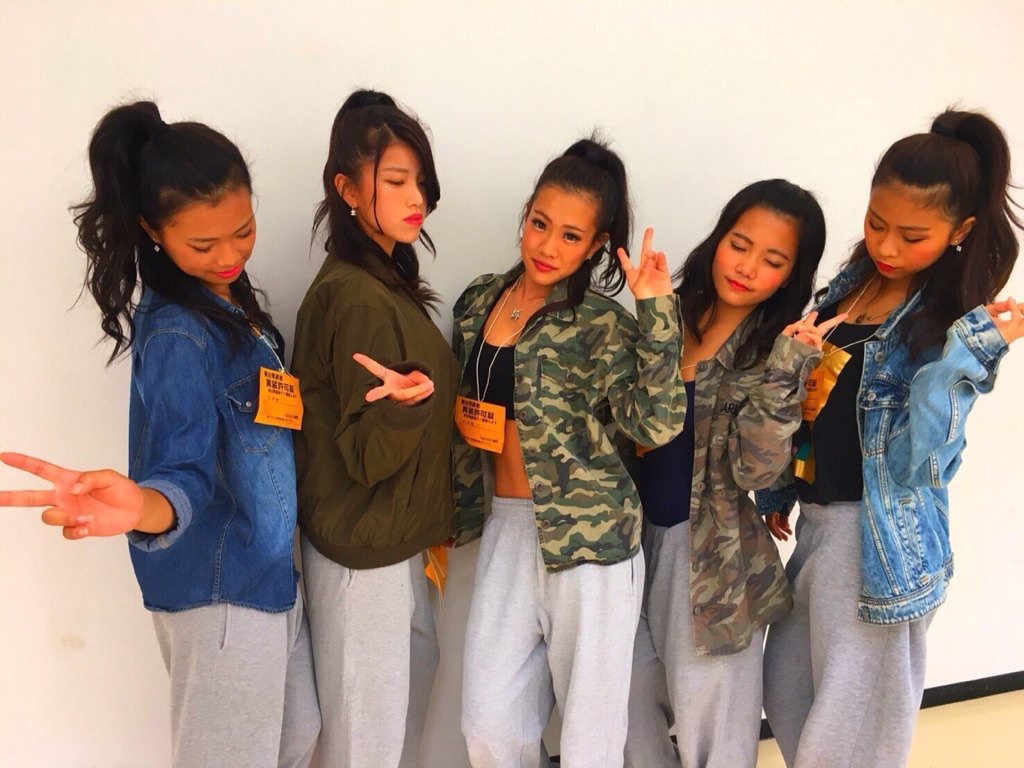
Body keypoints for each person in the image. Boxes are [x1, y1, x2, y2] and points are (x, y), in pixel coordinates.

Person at [0, 101, 320, 767]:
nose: (229, 256)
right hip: (220, 589)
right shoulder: (179, 331)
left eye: (244, 230)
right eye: (203, 245)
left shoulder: (227, 300)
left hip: (263, 575)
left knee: (298, 739)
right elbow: (183, 469)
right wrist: (145, 505)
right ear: (152, 229)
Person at [759, 109, 1024, 768]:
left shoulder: (946, 324)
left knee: (848, 744)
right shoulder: (849, 289)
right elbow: (814, 407)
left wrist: (968, 357)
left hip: (877, 541)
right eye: (877, 223)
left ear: (961, 231)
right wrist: (780, 488)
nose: (888, 246)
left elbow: (914, 462)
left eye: (912, 235)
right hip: (819, 529)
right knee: (788, 696)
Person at [452, 136, 685, 767]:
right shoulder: (479, 302)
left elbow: (656, 423)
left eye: (571, 236)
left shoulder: (602, 324)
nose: (548, 246)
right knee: (489, 725)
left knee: (590, 740)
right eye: (540, 224)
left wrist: (656, 311)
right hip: (508, 527)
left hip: (594, 541)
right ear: (526, 213)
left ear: (597, 244)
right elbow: (463, 413)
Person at [623, 179, 835, 768]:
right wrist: (652, 314)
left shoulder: (775, 353)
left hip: (715, 564)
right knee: (627, 714)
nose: (746, 267)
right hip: (627, 549)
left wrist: (785, 374)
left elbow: (756, 469)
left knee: (714, 733)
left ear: (790, 276)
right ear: (718, 239)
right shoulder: (667, 315)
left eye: (772, 260)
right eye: (739, 245)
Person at [290, 89, 458, 768]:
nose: (416, 198)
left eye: (420, 182)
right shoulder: (357, 295)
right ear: (347, 189)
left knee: (388, 738)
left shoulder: (381, 279)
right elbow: (365, 456)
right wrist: (403, 409)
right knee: (369, 746)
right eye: (395, 181)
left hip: (388, 547)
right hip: (364, 559)